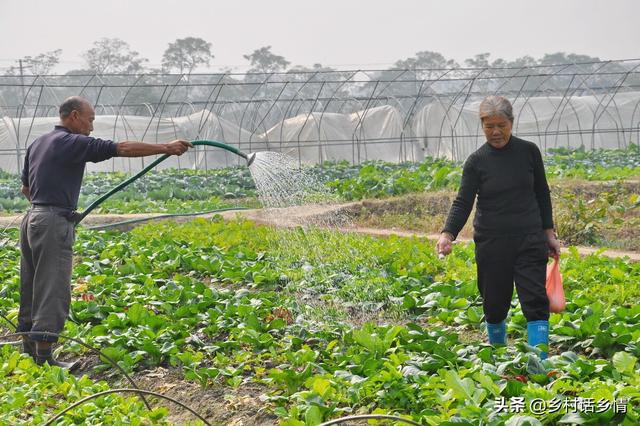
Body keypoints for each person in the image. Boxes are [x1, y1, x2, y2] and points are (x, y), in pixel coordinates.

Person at [18, 96, 193, 369]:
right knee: (52, 285)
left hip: (32, 219)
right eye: (90, 120)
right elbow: (120, 148)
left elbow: (26, 190)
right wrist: (165, 148)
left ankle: (29, 347)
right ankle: (45, 357)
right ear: (74, 116)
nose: (91, 128)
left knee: (32, 283)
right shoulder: (71, 142)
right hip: (51, 222)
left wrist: (46, 208)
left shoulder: (38, 143)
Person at [437, 96, 561, 360]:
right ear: (482, 126)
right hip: (492, 243)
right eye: (489, 126)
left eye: (501, 125)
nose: (495, 131)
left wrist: (548, 233)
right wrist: (448, 233)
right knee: (494, 304)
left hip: (529, 238)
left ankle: (539, 362)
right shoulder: (477, 161)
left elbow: (542, 193)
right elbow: (463, 201)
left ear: (511, 123)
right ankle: (498, 357)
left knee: (535, 301)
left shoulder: (529, 152)